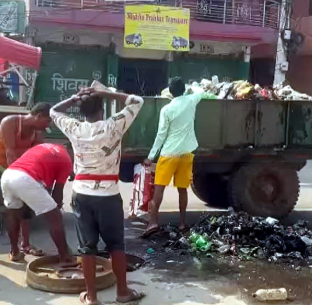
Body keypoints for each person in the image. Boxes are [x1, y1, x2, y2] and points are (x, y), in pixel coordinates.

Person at [51, 87, 146, 305]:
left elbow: (54, 111)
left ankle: (92, 297)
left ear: (81, 111)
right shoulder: (114, 125)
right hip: (109, 194)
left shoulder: (74, 127)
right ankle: (123, 292)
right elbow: (137, 100)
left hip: (82, 193)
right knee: (116, 245)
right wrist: (107, 93)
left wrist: (74, 98)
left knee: (87, 247)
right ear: (102, 109)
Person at [0, 103, 52, 263]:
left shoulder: (36, 134)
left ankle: (25, 245)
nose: (48, 126)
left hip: (15, 169)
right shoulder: (10, 122)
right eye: (47, 121)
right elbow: (10, 153)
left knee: (23, 208)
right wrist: (18, 178)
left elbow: (38, 157)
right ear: (39, 116)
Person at [142, 76, 216, 238]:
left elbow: (161, 135)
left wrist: (150, 157)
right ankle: (182, 223)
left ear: (169, 92)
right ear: (183, 90)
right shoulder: (191, 101)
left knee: (159, 188)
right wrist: (191, 87)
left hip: (169, 153)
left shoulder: (166, 110)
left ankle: (153, 222)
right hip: (187, 152)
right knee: (182, 189)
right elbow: (201, 90)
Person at [0, 143, 74, 264]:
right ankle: (66, 256)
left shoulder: (46, 146)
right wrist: (56, 208)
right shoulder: (66, 160)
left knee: (14, 215)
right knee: (55, 217)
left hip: (8, 175)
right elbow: (57, 192)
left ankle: (15, 252)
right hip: (25, 178)